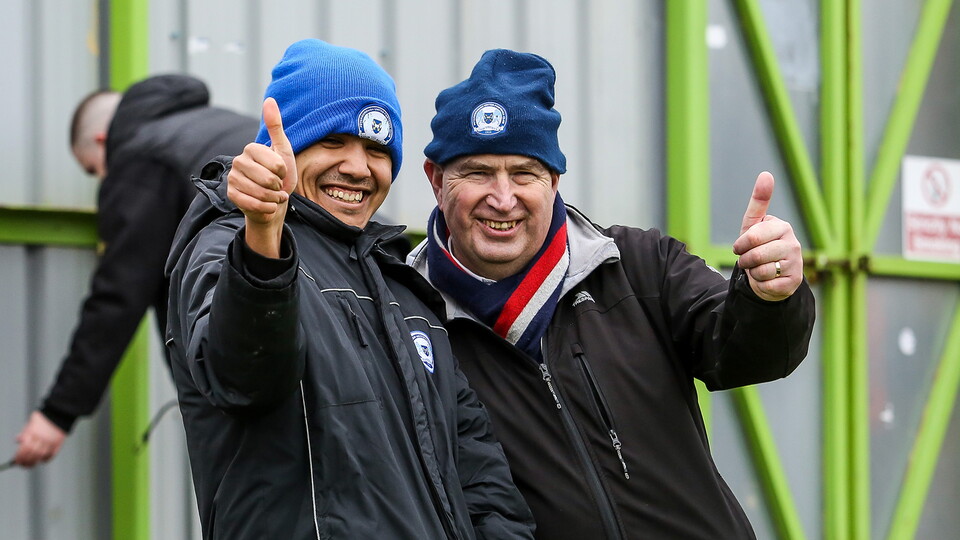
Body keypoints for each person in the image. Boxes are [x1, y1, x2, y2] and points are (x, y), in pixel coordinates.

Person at [407, 49, 817, 539]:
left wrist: (769, 296)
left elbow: (743, 353)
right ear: (435, 180)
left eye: (523, 173)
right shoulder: (411, 317)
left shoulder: (639, 264)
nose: (503, 198)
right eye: (476, 173)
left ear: (554, 181)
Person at [164, 39, 534, 539]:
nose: (359, 167)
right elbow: (243, 377)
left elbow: (476, 469)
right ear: (284, 146)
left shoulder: (401, 284)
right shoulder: (231, 246)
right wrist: (262, 237)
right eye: (333, 141)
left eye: (378, 149)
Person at [13, 74, 259, 468]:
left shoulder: (142, 157)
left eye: (95, 170)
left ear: (100, 143)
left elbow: (119, 295)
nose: (103, 180)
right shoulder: (211, 125)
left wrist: (57, 413)